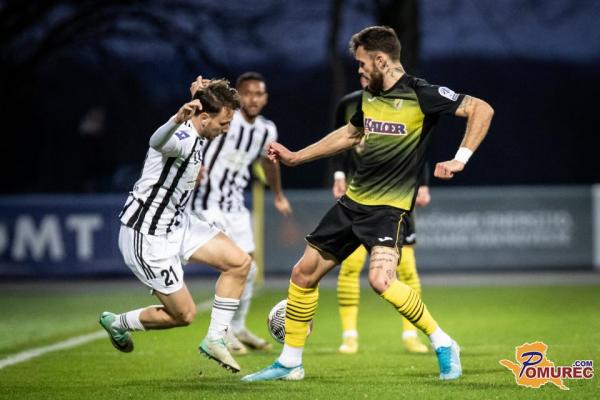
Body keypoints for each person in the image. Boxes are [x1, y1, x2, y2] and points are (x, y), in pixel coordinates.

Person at [242, 26, 494, 382]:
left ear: (381, 60)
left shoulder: (421, 93)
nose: (358, 70)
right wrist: (296, 157)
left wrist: (460, 158)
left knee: (380, 280)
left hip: (389, 210)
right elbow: (350, 133)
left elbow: (482, 108)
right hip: (352, 204)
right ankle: (290, 362)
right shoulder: (369, 96)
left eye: (362, 64)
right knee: (302, 274)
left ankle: (443, 343)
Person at [99, 77, 251, 374]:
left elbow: (200, 110)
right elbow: (158, 142)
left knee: (239, 263)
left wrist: (199, 92)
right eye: (223, 123)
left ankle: (215, 338)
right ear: (204, 118)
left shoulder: (200, 123)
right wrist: (175, 119)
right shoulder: (181, 136)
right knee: (183, 315)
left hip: (178, 224)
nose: (226, 129)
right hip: (147, 235)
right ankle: (117, 322)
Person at [191, 71, 292, 355]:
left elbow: (269, 163)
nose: (253, 99)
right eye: (247, 93)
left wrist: (278, 195)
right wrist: (193, 164)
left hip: (235, 206)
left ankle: (237, 327)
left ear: (265, 98)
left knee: (250, 269)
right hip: (207, 203)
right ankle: (221, 332)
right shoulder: (226, 118)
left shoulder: (266, 130)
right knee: (232, 265)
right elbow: (196, 128)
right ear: (238, 95)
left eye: (258, 94)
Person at [332, 76, 431, 354]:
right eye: (361, 69)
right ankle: (349, 336)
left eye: (368, 68)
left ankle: (411, 335)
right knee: (350, 268)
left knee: (406, 270)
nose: (364, 74)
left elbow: (418, 145)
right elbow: (340, 139)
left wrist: (423, 183)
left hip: (396, 197)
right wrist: (338, 174)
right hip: (359, 198)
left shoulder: (407, 102)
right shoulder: (348, 103)